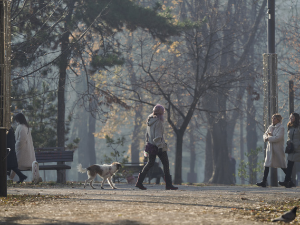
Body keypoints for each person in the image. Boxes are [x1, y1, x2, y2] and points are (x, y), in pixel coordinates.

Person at [135, 104, 178, 190]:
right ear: (161, 113)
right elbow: (158, 136)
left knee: (150, 163)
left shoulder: (149, 121)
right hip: (158, 146)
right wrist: (161, 147)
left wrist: (147, 143)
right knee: (166, 164)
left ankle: (139, 182)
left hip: (151, 146)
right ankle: (168, 185)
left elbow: (146, 135)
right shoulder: (158, 122)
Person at [256, 113, 287, 187]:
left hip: (277, 149)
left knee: (282, 165)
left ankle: (290, 179)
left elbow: (278, 138)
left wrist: (269, 138)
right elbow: (265, 134)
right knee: (267, 165)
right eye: (272, 118)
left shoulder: (281, 128)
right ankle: (264, 181)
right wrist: (266, 137)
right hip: (270, 149)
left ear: (278, 120)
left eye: (274, 118)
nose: (273, 120)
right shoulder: (270, 127)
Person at [10, 113, 36, 180]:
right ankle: (35, 178)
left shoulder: (22, 127)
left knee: (15, 164)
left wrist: (15, 147)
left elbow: (21, 140)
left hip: (21, 150)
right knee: (25, 165)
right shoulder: (26, 127)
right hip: (25, 150)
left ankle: (10, 179)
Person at [278, 112, 300, 188]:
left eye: (292, 117)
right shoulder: (290, 126)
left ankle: (288, 181)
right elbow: (289, 137)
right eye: (290, 117)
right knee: (289, 165)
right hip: (292, 149)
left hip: (298, 149)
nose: (290, 118)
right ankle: (287, 181)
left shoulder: (298, 126)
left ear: (296, 118)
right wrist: (288, 142)